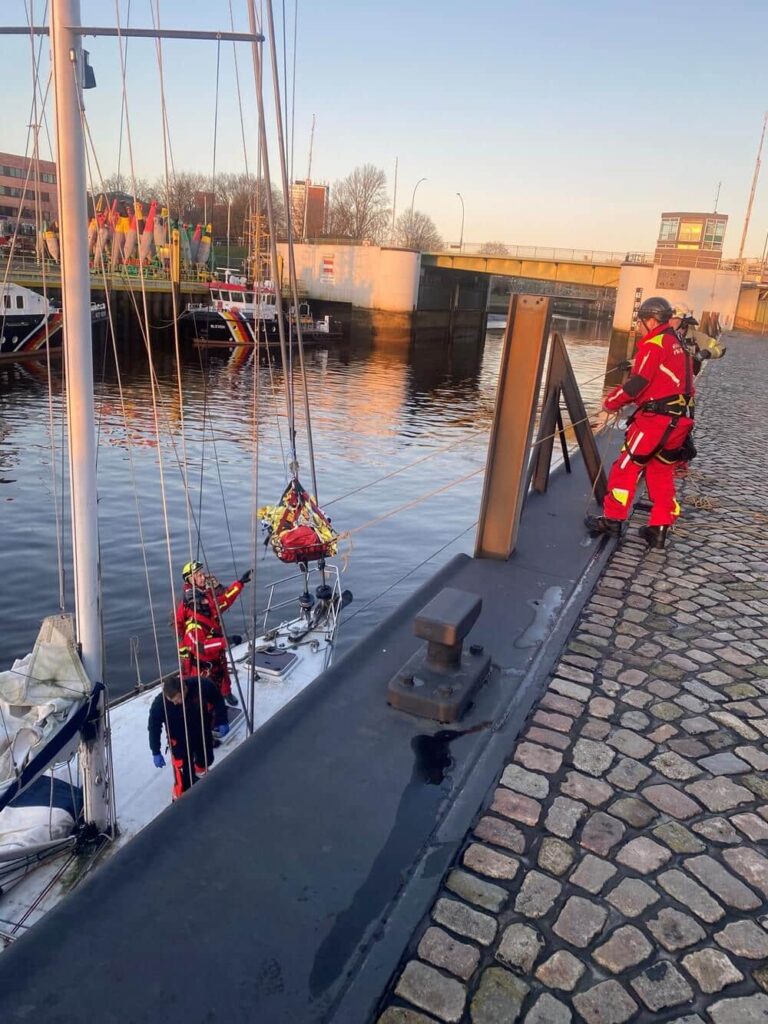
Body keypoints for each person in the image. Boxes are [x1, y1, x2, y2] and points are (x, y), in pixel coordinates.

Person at [585, 295, 695, 549]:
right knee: (661, 471)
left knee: (626, 466)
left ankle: (613, 519)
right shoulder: (678, 342)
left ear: (650, 320)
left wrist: (611, 402)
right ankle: (659, 528)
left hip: (655, 421)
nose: (637, 326)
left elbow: (638, 383)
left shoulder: (654, 344)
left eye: (640, 320)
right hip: (679, 422)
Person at [175, 560, 252, 707]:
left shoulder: (206, 598)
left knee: (223, 672)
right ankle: (210, 712)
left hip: (216, 648)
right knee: (204, 687)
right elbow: (200, 645)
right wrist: (226, 641)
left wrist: (240, 583)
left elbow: (224, 601)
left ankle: (226, 693)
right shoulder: (190, 612)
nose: (203, 578)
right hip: (201, 657)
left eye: (202, 574)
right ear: (190, 580)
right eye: (198, 575)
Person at [148, 675, 229, 799]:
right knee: (183, 778)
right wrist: (156, 751)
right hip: (179, 741)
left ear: (184, 689)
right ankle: (179, 798)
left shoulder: (200, 685)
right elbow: (154, 727)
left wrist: (222, 719)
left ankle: (201, 773)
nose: (175, 703)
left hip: (201, 731)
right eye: (171, 700)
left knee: (207, 759)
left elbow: (216, 698)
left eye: (177, 699)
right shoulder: (159, 705)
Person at [669, 303, 726, 373]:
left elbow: (721, 348)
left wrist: (707, 352)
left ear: (684, 321)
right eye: (668, 319)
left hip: (686, 380)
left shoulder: (696, 337)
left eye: (674, 319)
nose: (670, 322)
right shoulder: (664, 335)